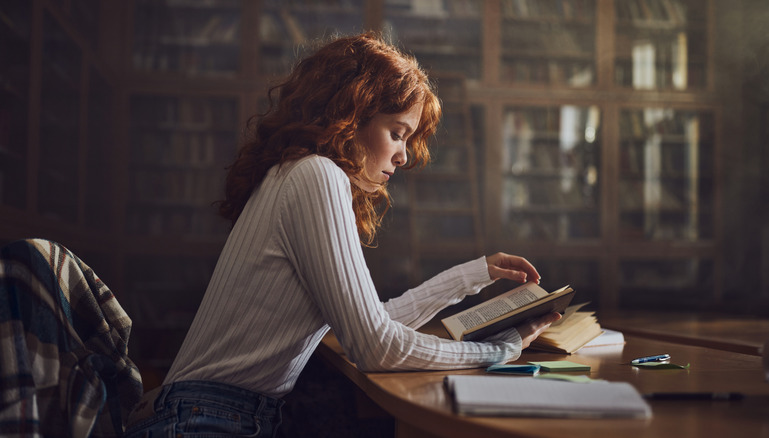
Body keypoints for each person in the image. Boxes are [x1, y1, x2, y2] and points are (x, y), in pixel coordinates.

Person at [124, 32, 560, 437]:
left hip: (205, 415)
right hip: (206, 421)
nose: (404, 156)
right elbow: (376, 347)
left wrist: (474, 274)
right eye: (397, 133)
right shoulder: (318, 175)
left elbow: (370, 324)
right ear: (352, 115)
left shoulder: (296, 172)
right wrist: (500, 351)